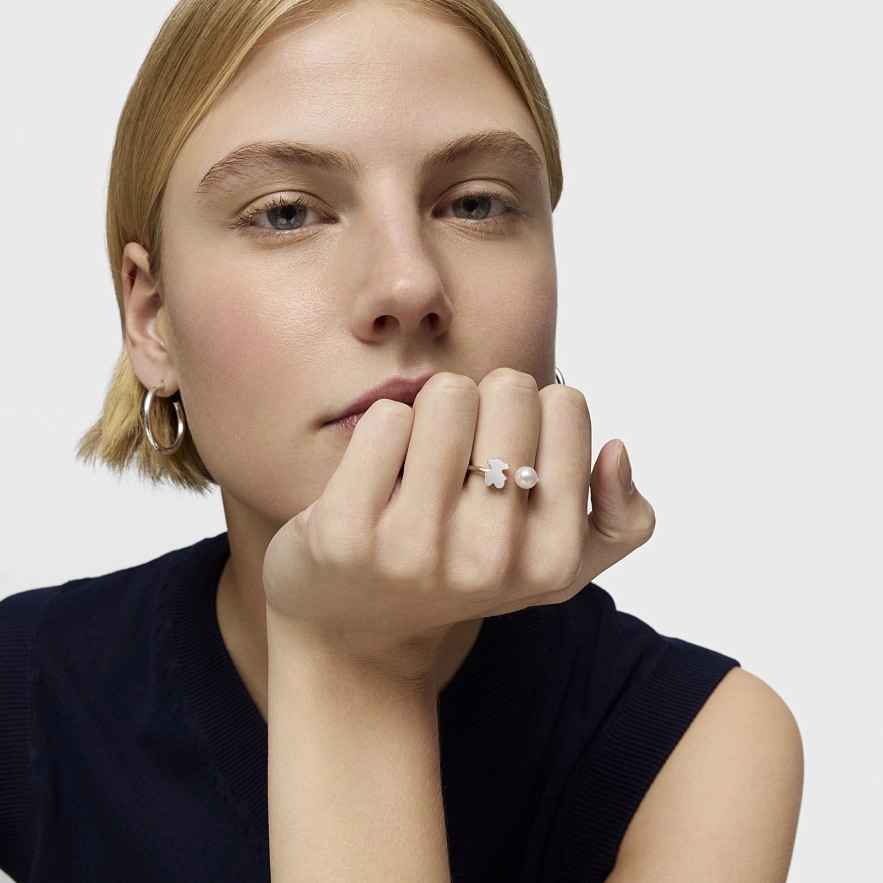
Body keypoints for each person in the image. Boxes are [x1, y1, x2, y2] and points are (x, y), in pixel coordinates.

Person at [0, 0, 803, 879]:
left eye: (475, 203)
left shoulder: (699, 749)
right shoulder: (21, 695)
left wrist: (356, 651)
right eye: (285, 213)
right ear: (152, 319)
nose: (410, 284)